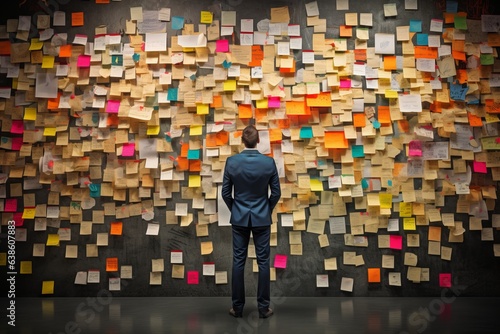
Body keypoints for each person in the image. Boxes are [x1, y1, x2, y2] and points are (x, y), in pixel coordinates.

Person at [221, 125, 281, 319]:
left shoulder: (231, 162)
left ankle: (237, 308)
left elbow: (225, 193)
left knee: (238, 261)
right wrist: (266, 209)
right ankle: (263, 308)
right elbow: (276, 193)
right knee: (263, 262)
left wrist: (236, 209)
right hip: (262, 218)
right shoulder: (269, 163)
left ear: (242, 141)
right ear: (258, 141)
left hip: (239, 218)